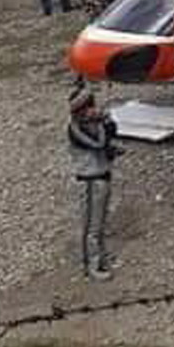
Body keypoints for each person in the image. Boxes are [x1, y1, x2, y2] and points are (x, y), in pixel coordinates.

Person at [67, 85, 120, 278]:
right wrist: (103, 122)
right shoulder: (75, 129)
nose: (92, 108)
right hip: (89, 180)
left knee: (101, 222)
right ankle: (92, 265)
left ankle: (102, 257)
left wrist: (107, 120)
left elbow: (113, 133)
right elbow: (99, 143)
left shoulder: (93, 123)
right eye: (89, 105)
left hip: (102, 175)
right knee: (91, 226)